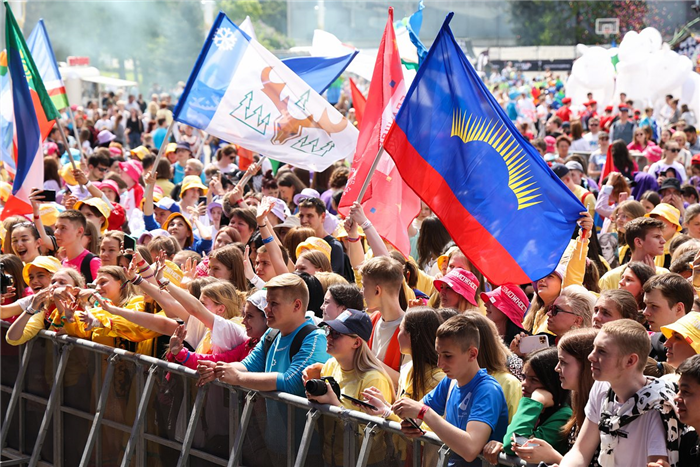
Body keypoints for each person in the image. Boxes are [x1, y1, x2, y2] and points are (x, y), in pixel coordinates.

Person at [198, 274, 330, 466]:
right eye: (267, 303)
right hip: (275, 444)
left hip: (308, 449)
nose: (266, 309)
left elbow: (290, 383)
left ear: (297, 305)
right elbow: (247, 365)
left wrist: (239, 378)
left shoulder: (315, 338)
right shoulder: (272, 333)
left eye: (273, 304)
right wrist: (218, 369)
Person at [392, 314, 509, 467]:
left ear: (472, 354)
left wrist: (423, 413)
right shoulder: (450, 381)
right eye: (438, 355)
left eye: (447, 356)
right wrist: (410, 423)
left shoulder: (487, 390)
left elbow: (470, 449)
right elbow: (417, 417)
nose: (440, 364)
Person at [558, 320, 680, 467]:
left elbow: (656, 462)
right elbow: (581, 452)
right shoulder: (602, 387)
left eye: (601, 351)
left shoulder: (658, 406)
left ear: (630, 360)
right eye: (594, 348)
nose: (591, 356)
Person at [303, 308, 395, 467]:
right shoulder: (331, 366)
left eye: (336, 334)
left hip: (366, 461)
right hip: (332, 457)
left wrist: (335, 406)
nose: (329, 337)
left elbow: (368, 439)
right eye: (328, 330)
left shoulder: (374, 379)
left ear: (357, 342)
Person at [482, 347, 571, 465]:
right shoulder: (534, 407)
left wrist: (535, 402)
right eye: (524, 377)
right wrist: (501, 446)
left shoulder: (563, 416)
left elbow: (513, 445)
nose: (523, 383)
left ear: (552, 383)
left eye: (534, 380)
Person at [361, 256, 406, 385]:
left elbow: (406, 383)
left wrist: (364, 358)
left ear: (377, 290)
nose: (362, 292)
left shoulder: (411, 329)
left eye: (364, 286)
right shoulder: (370, 320)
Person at [598, 217, 668, 291]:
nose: (663, 241)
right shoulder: (610, 278)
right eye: (657, 237)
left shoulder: (664, 275)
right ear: (638, 242)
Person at [54, 210, 101, 284]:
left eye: (63, 228)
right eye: (56, 227)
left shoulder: (92, 262)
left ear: (79, 231)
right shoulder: (61, 264)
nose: (56, 232)